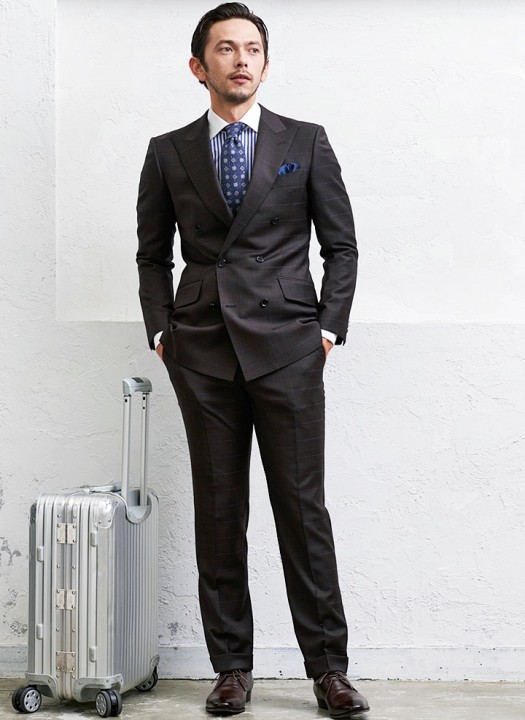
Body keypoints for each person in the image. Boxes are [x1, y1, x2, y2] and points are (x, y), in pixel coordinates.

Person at [136, 3, 369, 717]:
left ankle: (328, 670)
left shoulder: (305, 140)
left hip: (288, 348)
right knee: (219, 512)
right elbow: (152, 255)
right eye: (225, 48)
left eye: (252, 49)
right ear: (197, 65)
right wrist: (162, 334)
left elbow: (341, 247)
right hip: (203, 351)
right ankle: (231, 667)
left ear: (265, 64)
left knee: (302, 510)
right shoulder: (168, 151)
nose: (240, 59)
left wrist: (326, 332)